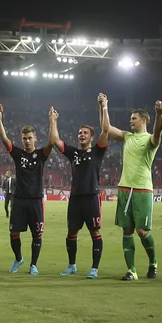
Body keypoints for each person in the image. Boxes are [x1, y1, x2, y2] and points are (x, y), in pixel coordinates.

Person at [100, 93, 162, 280]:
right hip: (124, 188)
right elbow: (106, 128)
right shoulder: (127, 137)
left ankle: (153, 262)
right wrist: (104, 106)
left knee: (142, 231)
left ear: (143, 120)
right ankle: (132, 270)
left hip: (142, 189)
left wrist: (159, 115)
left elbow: (159, 133)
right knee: (127, 230)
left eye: (133, 118)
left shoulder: (151, 139)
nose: (130, 121)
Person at [50, 106, 108, 279]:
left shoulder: (98, 151)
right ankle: (72, 265)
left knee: (95, 233)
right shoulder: (74, 153)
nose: (81, 135)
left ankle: (94, 268)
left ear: (91, 137)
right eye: (80, 133)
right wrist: (53, 120)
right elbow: (55, 140)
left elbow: (106, 129)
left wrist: (103, 107)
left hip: (91, 197)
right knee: (71, 233)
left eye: (85, 133)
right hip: (75, 198)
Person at [0, 105, 54, 275]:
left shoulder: (41, 154)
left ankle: (33, 265)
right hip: (19, 200)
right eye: (24, 138)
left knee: (37, 234)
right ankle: (18, 258)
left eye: (29, 138)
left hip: (36, 200)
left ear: (35, 138)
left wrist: (52, 120)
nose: (27, 141)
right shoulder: (18, 154)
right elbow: (4, 138)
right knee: (14, 232)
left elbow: (52, 142)